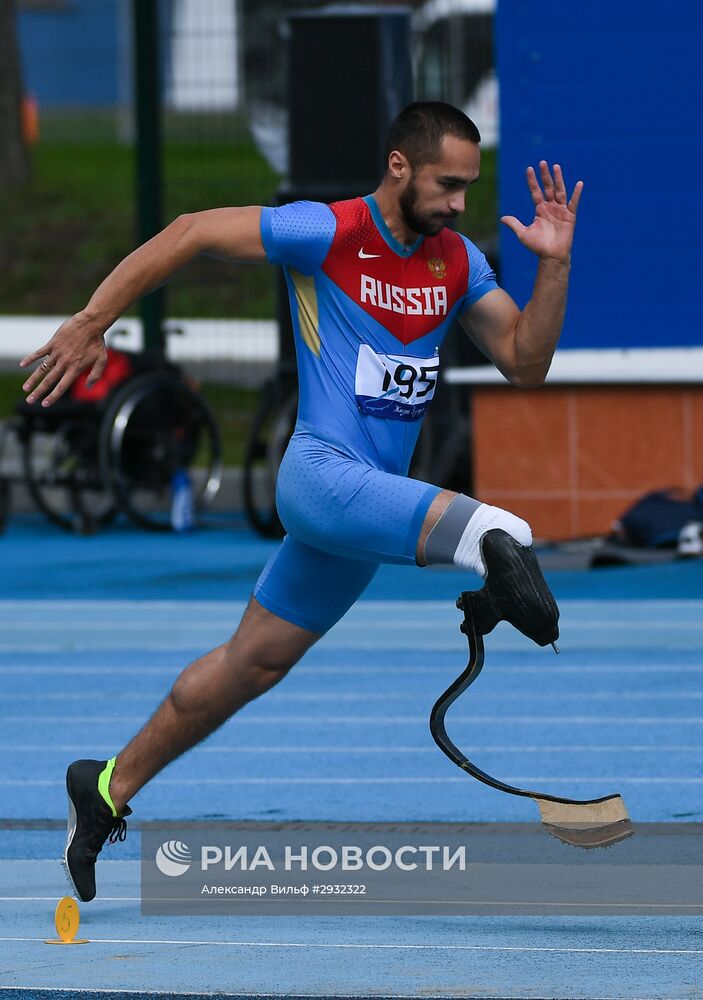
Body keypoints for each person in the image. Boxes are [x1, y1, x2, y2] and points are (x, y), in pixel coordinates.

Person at [20, 102, 581, 902]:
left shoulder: (455, 261)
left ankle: (105, 785)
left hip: (360, 514)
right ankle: (487, 556)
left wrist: (554, 264)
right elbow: (187, 232)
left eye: (468, 187)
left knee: (253, 663)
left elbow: (525, 363)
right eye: (447, 184)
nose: (460, 203)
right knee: (500, 530)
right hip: (320, 478)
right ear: (399, 167)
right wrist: (91, 322)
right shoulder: (326, 231)